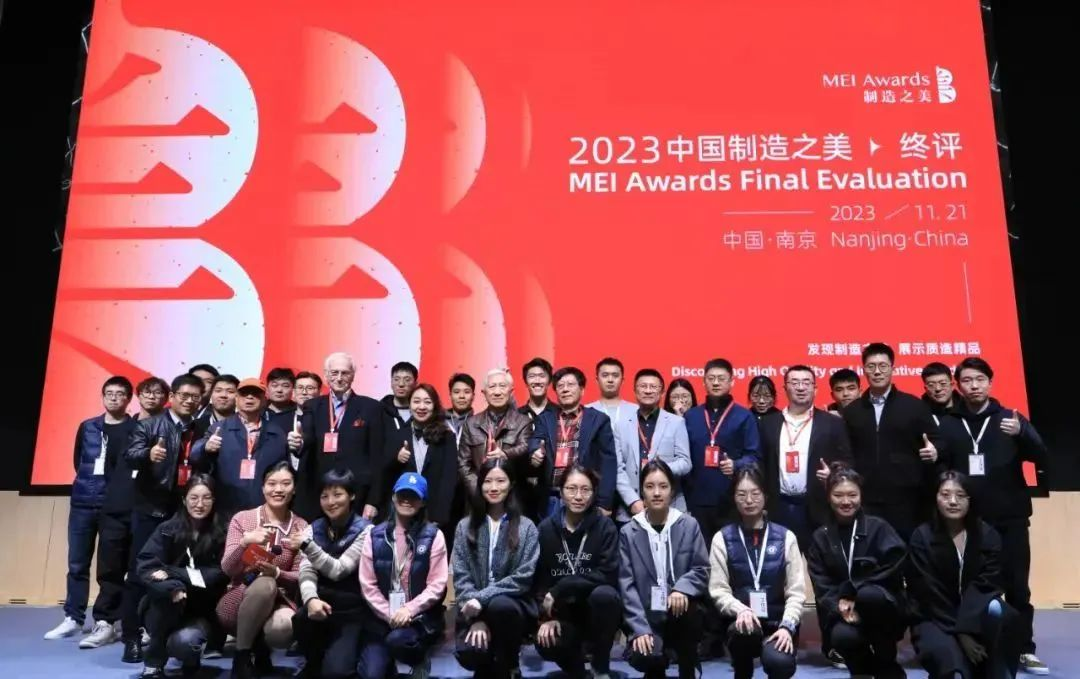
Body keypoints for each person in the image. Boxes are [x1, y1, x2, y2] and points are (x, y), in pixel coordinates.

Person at [939, 357, 1049, 674]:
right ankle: (971, 643)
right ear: (958, 385)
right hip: (968, 523)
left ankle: (1024, 648)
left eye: (980, 380)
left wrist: (1023, 434)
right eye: (967, 380)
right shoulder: (949, 424)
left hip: (1010, 519)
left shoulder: (1010, 420)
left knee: (1017, 587)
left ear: (990, 382)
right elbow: (940, 468)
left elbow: (1041, 455)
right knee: (971, 587)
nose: (974, 386)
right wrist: (933, 456)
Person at [45, 376, 136, 647]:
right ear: (103, 396)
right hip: (84, 502)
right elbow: (79, 461)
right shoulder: (88, 427)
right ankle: (73, 617)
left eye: (120, 394)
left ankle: (106, 621)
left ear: (128, 398)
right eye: (109, 393)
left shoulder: (135, 428)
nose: (114, 398)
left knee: (111, 567)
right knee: (77, 563)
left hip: (115, 507)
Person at [121, 373, 206, 663]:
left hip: (185, 512)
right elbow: (129, 455)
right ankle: (131, 638)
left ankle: (169, 637)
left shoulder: (201, 428)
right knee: (140, 573)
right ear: (172, 396)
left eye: (195, 396)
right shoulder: (149, 425)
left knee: (178, 573)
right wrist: (148, 454)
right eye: (184, 395)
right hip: (152, 510)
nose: (189, 401)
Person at [908, 471, 1021, 679]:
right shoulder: (921, 537)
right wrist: (960, 633)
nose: (953, 501)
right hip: (935, 618)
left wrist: (966, 627)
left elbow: (987, 585)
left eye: (960, 495)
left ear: (970, 500)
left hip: (974, 615)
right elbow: (929, 593)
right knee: (955, 670)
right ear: (935, 498)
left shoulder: (987, 535)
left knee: (1003, 615)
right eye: (945, 495)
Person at [807, 464, 908, 679]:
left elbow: (895, 563)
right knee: (842, 637)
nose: (846, 501)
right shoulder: (820, 537)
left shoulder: (878, 527)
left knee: (869, 595)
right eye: (838, 495)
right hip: (844, 612)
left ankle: (886, 662)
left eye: (852, 495)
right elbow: (821, 583)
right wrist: (838, 606)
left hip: (880, 608)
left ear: (861, 496)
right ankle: (864, 671)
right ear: (828, 497)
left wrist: (854, 591)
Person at [840, 342, 944, 541]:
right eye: (871, 366)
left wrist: (935, 451)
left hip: (907, 500)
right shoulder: (852, 411)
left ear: (892, 368)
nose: (877, 371)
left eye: (883, 366)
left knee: (907, 550)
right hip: (865, 497)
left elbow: (938, 441)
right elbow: (845, 451)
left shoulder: (914, 406)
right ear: (864, 370)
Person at [709, 466, 805, 679]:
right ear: (734, 498)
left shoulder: (786, 537)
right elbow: (718, 590)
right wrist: (740, 609)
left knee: (780, 663)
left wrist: (787, 626)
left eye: (755, 493)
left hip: (777, 623)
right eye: (741, 494)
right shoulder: (721, 539)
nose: (749, 500)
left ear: (765, 496)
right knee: (744, 632)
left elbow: (796, 592)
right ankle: (742, 671)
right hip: (740, 623)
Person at [218, 461, 309, 678]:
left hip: (280, 600)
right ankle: (242, 657)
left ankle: (260, 648)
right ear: (263, 487)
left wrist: (277, 573)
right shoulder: (243, 519)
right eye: (272, 483)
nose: (278, 489)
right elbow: (228, 568)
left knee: (285, 627)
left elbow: (302, 575)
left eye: (286, 483)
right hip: (239, 596)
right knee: (264, 584)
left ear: (294, 488)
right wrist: (245, 543)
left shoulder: (302, 527)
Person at [620, 460, 709, 679]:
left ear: (672, 490)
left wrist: (681, 589)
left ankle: (688, 668)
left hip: (680, 614)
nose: (657, 493)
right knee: (646, 656)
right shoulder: (628, 532)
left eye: (663, 486)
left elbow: (701, 568)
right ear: (642, 491)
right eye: (650, 486)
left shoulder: (688, 525)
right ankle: (655, 663)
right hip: (647, 616)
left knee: (690, 610)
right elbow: (626, 585)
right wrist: (640, 629)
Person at [453, 459, 540, 679]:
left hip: (512, 607)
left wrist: (481, 599)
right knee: (469, 652)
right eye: (488, 481)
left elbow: (523, 577)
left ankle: (509, 663)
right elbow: (461, 577)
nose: (494, 487)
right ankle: (489, 664)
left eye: (500, 481)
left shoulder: (527, 527)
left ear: (511, 484)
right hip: (473, 609)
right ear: (480, 484)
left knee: (500, 606)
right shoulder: (464, 526)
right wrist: (477, 619)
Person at [358, 472, 449, 679]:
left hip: (419, 619)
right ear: (393, 497)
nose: (407, 500)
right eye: (402, 495)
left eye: (414, 496)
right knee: (372, 674)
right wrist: (389, 614)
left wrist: (409, 609)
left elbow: (437, 584)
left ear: (423, 502)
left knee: (399, 641)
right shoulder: (373, 535)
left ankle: (419, 659)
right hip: (381, 618)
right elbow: (367, 585)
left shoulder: (434, 536)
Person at [136, 474, 228, 678]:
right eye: (194, 498)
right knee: (167, 599)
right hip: (161, 607)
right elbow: (146, 568)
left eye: (206, 498)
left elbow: (217, 574)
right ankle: (154, 660)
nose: (200, 504)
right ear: (184, 500)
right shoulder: (166, 530)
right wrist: (174, 588)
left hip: (199, 611)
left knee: (186, 643)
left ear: (214, 500)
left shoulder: (223, 532)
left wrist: (172, 572)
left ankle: (189, 658)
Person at [534, 466, 621, 679]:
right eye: (571, 489)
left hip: (596, 613)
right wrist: (546, 618)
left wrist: (562, 587)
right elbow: (539, 581)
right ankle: (576, 670)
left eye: (585, 490)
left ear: (594, 492)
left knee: (606, 595)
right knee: (545, 639)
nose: (579, 496)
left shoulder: (605, 527)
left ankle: (600, 666)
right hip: (562, 614)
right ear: (561, 491)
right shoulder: (545, 530)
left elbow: (607, 574)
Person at [757, 365, 853, 551]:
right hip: (779, 506)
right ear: (785, 388)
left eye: (806, 383)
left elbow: (847, 460)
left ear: (815, 388)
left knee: (818, 560)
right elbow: (761, 463)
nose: (801, 387)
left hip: (817, 506)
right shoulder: (768, 423)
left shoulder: (833, 423)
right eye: (795, 382)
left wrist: (834, 474)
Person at [291, 469, 372, 679]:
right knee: (300, 617)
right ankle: (313, 660)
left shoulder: (366, 531)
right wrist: (311, 599)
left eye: (337, 494)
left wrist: (308, 546)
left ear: (351, 495)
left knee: (336, 672)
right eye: (324, 496)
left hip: (351, 612)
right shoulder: (313, 528)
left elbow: (339, 570)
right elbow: (306, 569)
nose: (330, 502)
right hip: (321, 606)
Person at [295, 352, 385, 521]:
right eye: (334, 373)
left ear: (353, 376)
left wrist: (373, 501)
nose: (339, 378)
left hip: (356, 494)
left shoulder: (371, 407)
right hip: (317, 494)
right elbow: (307, 439)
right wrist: (298, 444)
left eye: (345, 373)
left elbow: (377, 458)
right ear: (326, 375)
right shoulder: (312, 406)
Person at [190, 378, 296, 519]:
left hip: (265, 508)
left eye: (255, 394)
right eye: (244, 394)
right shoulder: (219, 428)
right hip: (226, 508)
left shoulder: (277, 432)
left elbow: (286, 470)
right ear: (237, 398)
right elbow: (194, 456)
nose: (250, 397)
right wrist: (205, 447)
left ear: (264, 400)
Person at [683, 358, 761, 546]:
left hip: (731, 499)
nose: (716, 383)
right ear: (704, 382)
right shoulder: (691, 416)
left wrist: (737, 465)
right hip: (696, 499)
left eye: (721, 378)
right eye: (711, 378)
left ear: (732, 382)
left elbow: (755, 456)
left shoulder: (744, 416)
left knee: (730, 551)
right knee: (700, 552)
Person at [527, 366, 617, 519]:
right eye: (560, 386)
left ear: (582, 390)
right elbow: (535, 439)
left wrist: (604, 503)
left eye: (570, 385)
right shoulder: (545, 418)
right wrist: (535, 450)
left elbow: (608, 463)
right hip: (552, 498)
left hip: (585, 497)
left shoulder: (598, 420)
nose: (565, 389)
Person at [614, 369, 691, 525]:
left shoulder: (676, 422)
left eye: (653, 387)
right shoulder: (621, 425)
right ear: (635, 390)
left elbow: (685, 462)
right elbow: (617, 468)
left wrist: (660, 469)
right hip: (631, 510)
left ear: (662, 391)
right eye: (643, 386)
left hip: (670, 507)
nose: (648, 391)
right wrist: (632, 501)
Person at [381, 383, 459, 535]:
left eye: (427, 402)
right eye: (416, 401)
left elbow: (448, 478)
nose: (421, 407)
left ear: (434, 406)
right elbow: (384, 474)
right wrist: (396, 459)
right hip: (402, 509)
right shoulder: (397, 434)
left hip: (432, 512)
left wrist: (440, 516)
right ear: (409, 405)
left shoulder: (447, 437)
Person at [459, 369, 533, 498]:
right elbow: (463, 464)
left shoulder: (523, 422)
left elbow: (526, 447)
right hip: (478, 498)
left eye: (502, 386)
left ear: (511, 392)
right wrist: (481, 490)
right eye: (492, 387)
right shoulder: (470, 424)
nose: (497, 392)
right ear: (484, 392)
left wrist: (506, 454)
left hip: (513, 496)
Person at [586, 357, 639, 447]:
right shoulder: (587, 411)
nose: (610, 380)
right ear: (597, 380)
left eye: (615, 375)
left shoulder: (636, 410)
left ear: (622, 380)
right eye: (605, 375)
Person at [381, 361, 419, 430]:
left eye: (407, 380)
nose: (401, 384)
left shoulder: (422, 411)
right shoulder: (379, 410)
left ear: (416, 384)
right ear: (391, 383)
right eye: (396, 379)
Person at [518, 357, 558, 422]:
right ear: (525, 382)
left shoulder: (560, 413)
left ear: (550, 381)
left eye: (542, 376)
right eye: (532, 376)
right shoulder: (517, 415)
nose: (537, 381)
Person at [264, 367, 298, 433]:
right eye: (274, 385)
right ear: (267, 388)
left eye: (285, 386)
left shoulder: (300, 413)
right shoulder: (258, 411)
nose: (279, 390)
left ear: (293, 389)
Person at [447, 372, 476, 447]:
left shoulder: (479, 424)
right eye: (456, 392)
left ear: (473, 396)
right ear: (450, 395)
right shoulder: (439, 423)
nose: (462, 396)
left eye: (467, 392)